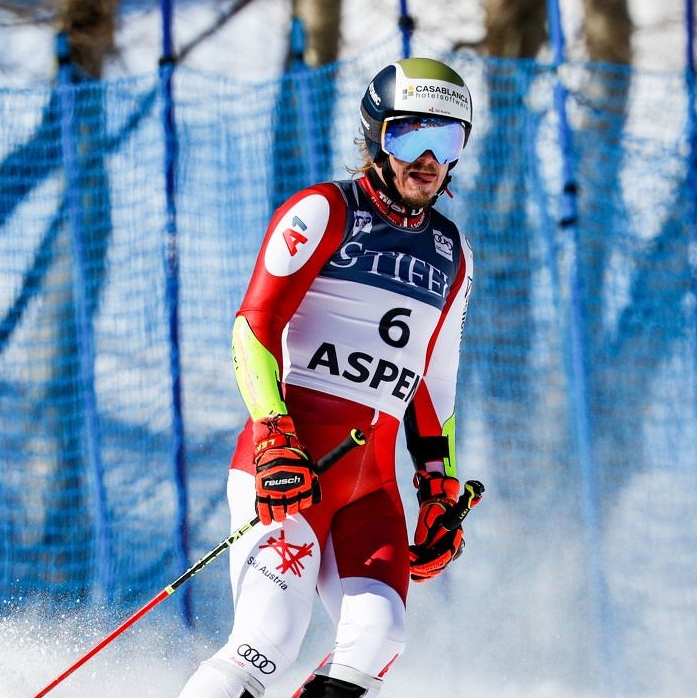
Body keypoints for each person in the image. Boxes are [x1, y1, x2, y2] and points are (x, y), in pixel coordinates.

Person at [177, 57, 480, 698]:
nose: (427, 159)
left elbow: (434, 383)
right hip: (296, 464)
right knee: (267, 644)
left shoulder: (453, 252)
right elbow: (252, 329)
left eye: (446, 140)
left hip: (372, 488)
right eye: (409, 136)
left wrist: (438, 489)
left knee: (376, 640)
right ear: (376, 136)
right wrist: (272, 434)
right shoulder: (323, 210)